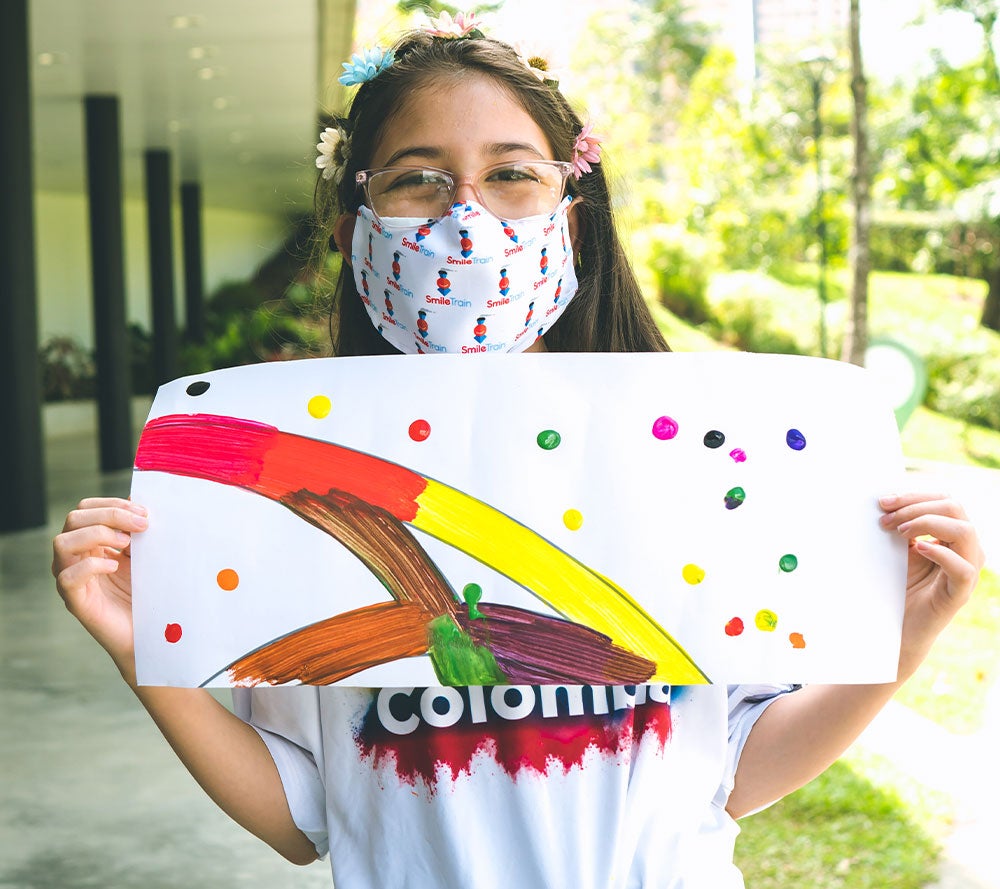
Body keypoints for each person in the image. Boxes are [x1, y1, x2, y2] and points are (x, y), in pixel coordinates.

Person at [52, 17, 985, 889]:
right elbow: (300, 817)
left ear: (567, 220)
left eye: (512, 175)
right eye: (418, 178)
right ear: (355, 230)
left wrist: (905, 635)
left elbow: (736, 769)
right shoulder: (296, 492)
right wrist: (143, 648)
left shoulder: (697, 459)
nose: (469, 218)